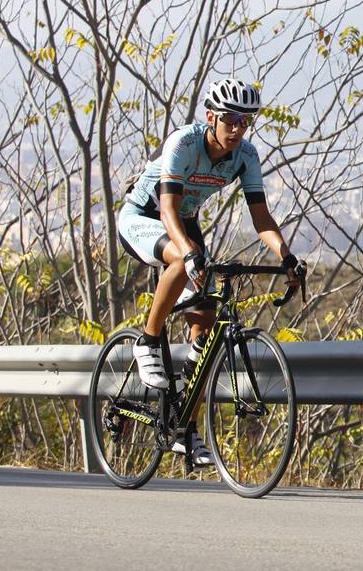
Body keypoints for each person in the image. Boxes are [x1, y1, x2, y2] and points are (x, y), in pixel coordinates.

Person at [116, 77, 301, 466]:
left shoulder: (245, 156)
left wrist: (286, 257)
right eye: (230, 119)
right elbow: (167, 209)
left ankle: (185, 427)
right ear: (211, 117)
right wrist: (188, 253)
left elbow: (261, 217)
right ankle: (148, 341)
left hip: (185, 223)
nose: (237, 129)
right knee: (185, 261)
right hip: (146, 217)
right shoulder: (184, 142)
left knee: (206, 327)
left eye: (245, 122)